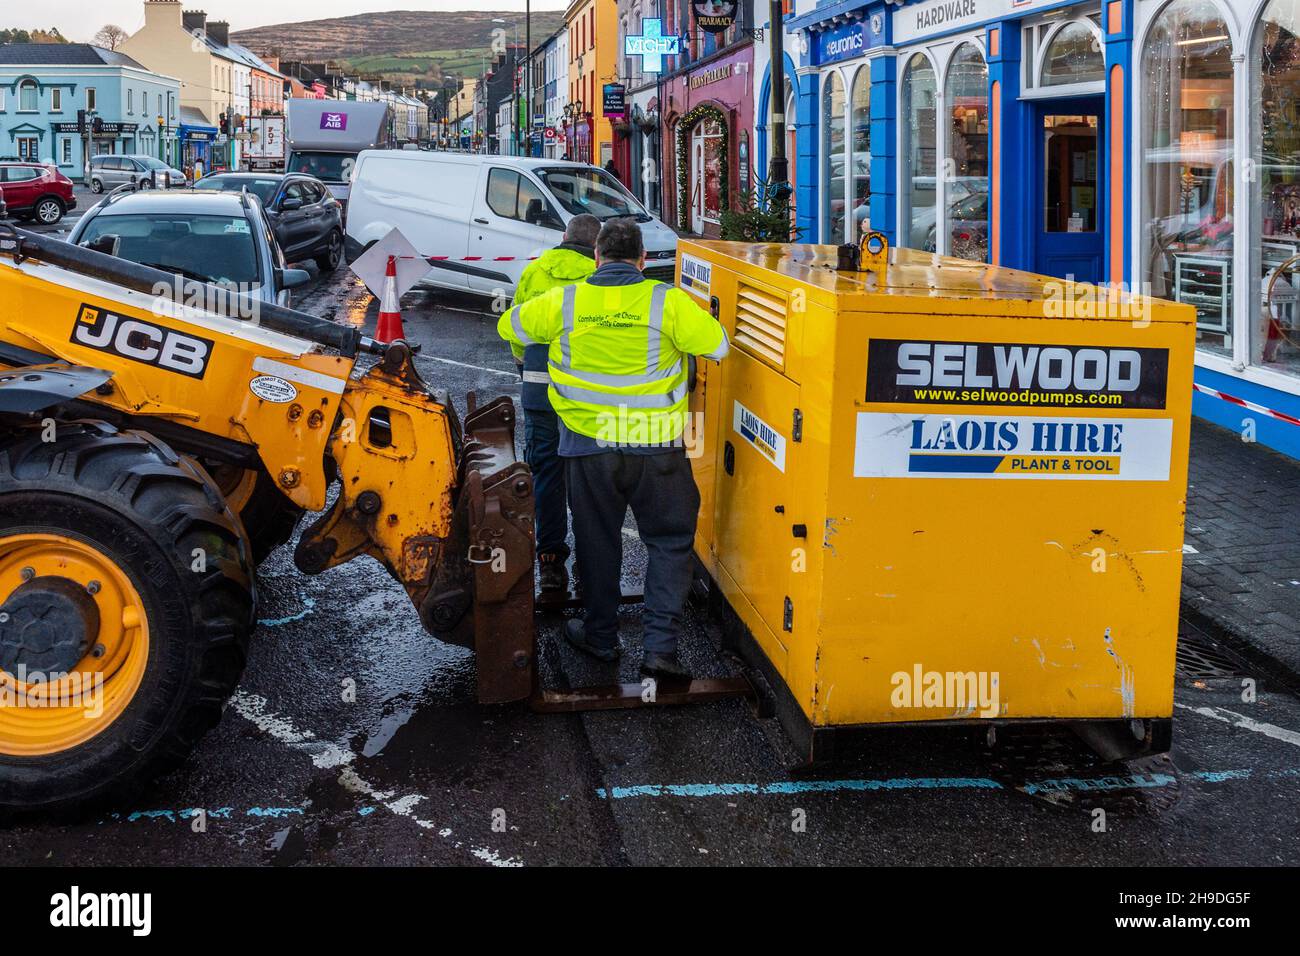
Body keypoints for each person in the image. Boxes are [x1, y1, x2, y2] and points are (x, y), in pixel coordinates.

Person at [498, 218, 729, 679]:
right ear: (643, 260)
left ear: (597, 257)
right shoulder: (666, 302)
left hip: (588, 447)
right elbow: (718, 346)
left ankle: (601, 638)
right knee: (668, 543)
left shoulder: (566, 301)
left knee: (597, 542)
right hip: (656, 447)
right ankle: (660, 651)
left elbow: (511, 327)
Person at [507, 213, 601, 593]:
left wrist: (522, 363)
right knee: (585, 474)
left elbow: (516, 325)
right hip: (585, 394)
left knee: (545, 472)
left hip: (538, 386)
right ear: (598, 249)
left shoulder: (535, 270)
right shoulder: (598, 277)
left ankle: (550, 562)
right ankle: (591, 559)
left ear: (564, 237)